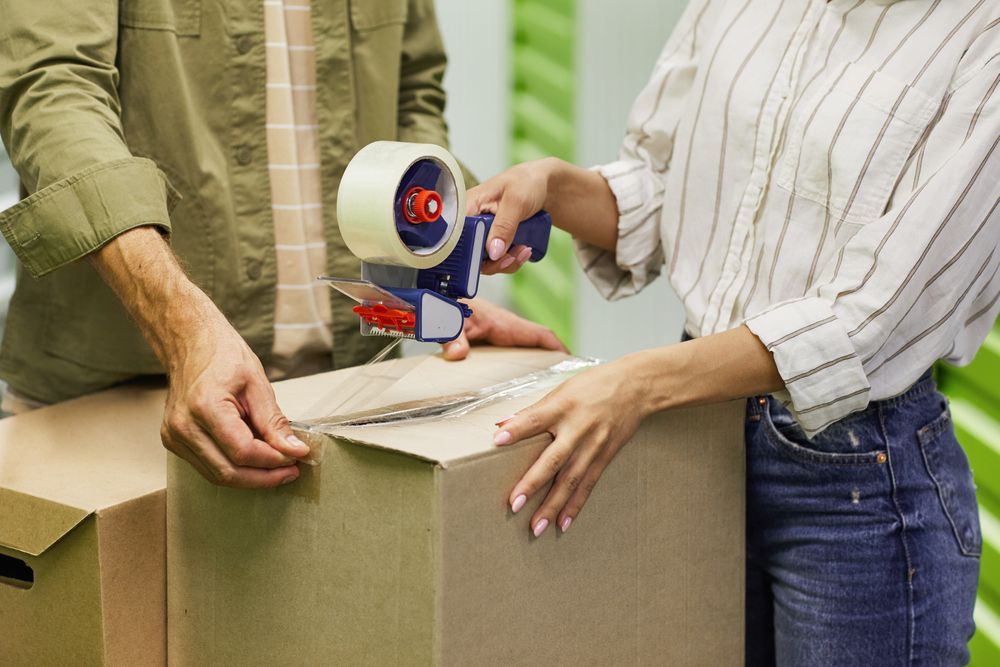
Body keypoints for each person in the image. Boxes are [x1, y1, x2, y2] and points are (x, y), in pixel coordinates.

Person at [470, 0, 998, 663]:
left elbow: (871, 317)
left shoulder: (981, 33)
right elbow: (669, 189)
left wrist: (638, 383)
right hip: (700, 440)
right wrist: (552, 186)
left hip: (859, 483)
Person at [0, 0, 563, 488]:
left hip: (345, 398)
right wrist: (180, 327)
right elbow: (54, 89)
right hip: (113, 408)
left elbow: (411, 91)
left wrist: (433, 275)